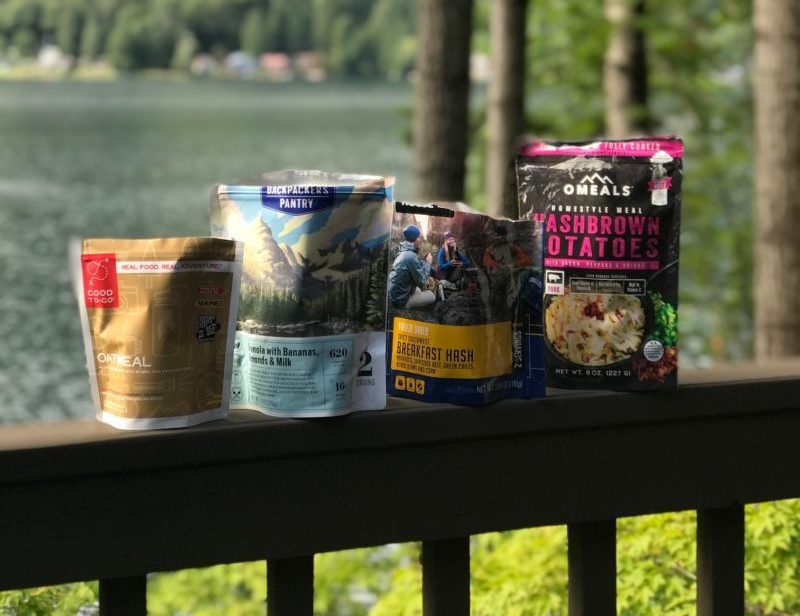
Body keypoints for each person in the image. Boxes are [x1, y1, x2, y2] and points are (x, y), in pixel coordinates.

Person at [388, 224, 436, 309]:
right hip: (400, 302)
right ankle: (407, 306)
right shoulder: (410, 256)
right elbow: (423, 282)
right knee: (432, 296)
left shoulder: (404, 251)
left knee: (418, 290)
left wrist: (424, 263)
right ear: (413, 239)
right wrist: (428, 263)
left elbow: (416, 268)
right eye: (419, 237)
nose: (421, 240)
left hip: (396, 296)